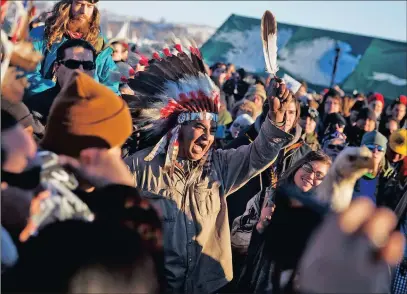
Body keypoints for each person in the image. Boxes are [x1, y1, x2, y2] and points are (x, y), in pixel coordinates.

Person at [124, 43, 294, 293]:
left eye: (212, 130)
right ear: (177, 128)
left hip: (210, 286)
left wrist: (275, 121)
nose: (207, 138)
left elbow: (258, 154)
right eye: (199, 128)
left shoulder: (219, 165)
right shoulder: (140, 166)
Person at [236, 151, 332, 293]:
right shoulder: (266, 197)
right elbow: (236, 241)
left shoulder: (322, 216)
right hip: (251, 281)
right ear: (298, 167)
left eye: (319, 176)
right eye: (308, 168)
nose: (311, 176)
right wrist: (260, 226)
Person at [26, 0, 119, 95]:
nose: (84, 11)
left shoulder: (99, 43)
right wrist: (55, 94)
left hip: (85, 105)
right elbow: (26, 72)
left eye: (89, 6)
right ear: (67, 4)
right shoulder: (41, 35)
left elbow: (111, 84)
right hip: (44, 103)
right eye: (79, 4)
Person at [23, 39, 98, 125]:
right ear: (56, 67)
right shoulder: (35, 107)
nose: (80, 70)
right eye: (72, 64)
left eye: (88, 65)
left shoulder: (105, 109)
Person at [352, 131, 394, 205]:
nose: (375, 151)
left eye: (380, 148)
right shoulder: (350, 168)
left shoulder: (389, 176)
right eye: (370, 147)